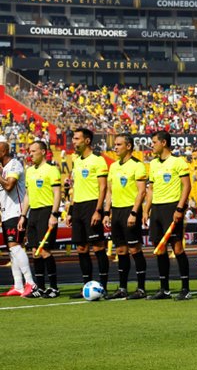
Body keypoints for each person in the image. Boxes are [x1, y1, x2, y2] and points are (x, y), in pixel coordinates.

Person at [144, 130, 192, 300]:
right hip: (156, 209)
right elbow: (151, 189)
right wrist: (146, 209)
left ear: (163, 143)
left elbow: (187, 186)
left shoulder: (178, 162)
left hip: (172, 208)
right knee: (160, 249)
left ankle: (185, 289)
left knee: (177, 247)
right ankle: (164, 289)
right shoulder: (154, 164)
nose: (152, 145)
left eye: (154, 142)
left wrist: (179, 209)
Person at [103, 134, 148, 299]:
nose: (115, 147)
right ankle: (122, 288)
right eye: (115, 144)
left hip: (130, 210)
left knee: (134, 249)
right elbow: (109, 191)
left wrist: (134, 212)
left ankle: (141, 288)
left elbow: (142, 191)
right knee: (120, 250)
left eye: (119, 144)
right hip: (116, 211)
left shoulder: (138, 166)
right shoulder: (113, 166)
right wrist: (107, 212)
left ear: (128, 146)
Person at [68, 127, 109, 296]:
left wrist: (98, 210)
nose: (73, 141)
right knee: (81, 249)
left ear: (87, 141)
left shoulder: (98, 160)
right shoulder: (76, 160)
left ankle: (103, 287)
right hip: (78, 207)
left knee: (98, 247)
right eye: (73, 138)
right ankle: (86, 286)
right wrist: (70, 210)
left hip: (92, 206)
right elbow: (75, 187)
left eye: (77, 138)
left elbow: (103, 187)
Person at [19, 140, 62, 298]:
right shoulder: (29, 171)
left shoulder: (52, 170)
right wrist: (23, 215)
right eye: (29, 151)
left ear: (43, 152)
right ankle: (41, 288)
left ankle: (54, 287)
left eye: (33, 151)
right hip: (34, 214)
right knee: (34, 252)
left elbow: (57, 194)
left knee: (44, 251)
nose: (30, 154)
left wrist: (54, 214)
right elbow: (28, 196)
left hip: (46, 212)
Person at [1, 139, 33, 297]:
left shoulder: (14, 164)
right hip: (6, 212)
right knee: (11, 250)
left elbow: (8, 186)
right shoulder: (3, 168)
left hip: (17, 211)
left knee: (15, 246)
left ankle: (31, 283)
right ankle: (18, 285)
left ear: (4, 151)